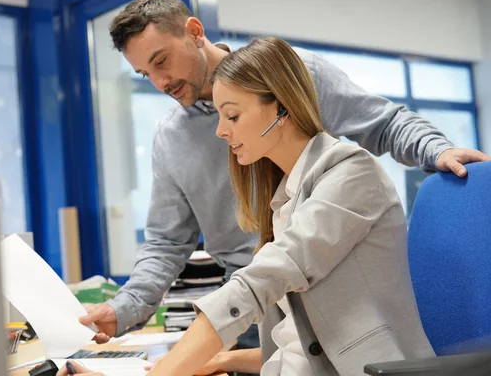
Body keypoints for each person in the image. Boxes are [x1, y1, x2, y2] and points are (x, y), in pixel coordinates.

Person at [79, 0, 489, 375]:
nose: (159, 82)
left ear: (194, 32)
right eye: (144, 73)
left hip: (319, 316)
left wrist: (436, 150)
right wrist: (129, 310)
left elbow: (382, 122)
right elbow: (168, 243)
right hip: (268, 323)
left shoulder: (330, 145)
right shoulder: (277, 199)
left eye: (161, 61)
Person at [144, 36, 434, 375]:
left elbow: (263, 279)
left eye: (232, 116)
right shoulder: (285, 197)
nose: (221, 131)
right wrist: (225, 359)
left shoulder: (352, 175)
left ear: (281, 108)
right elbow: (304, 345)